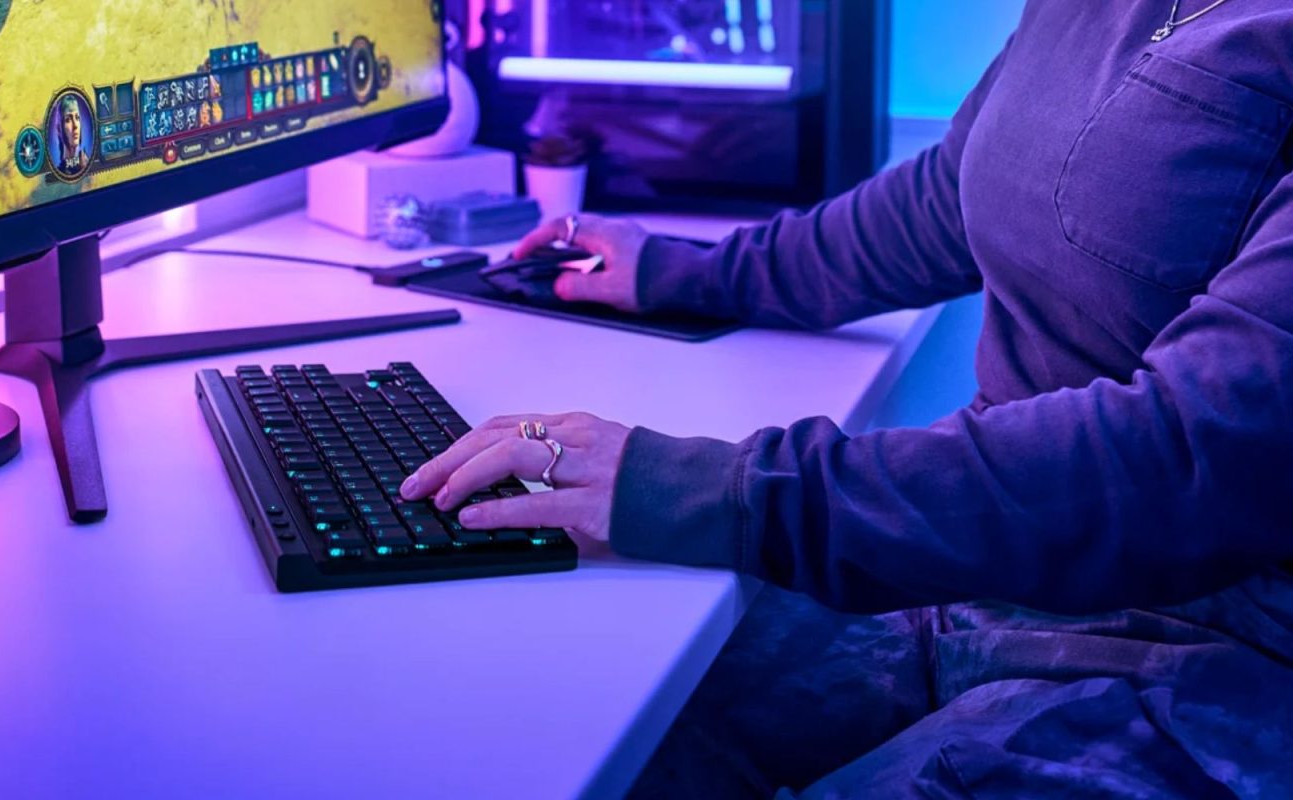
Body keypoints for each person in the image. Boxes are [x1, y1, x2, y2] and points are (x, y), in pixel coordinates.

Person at [400, 0, 1293, 796]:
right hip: (979, 578)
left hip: (1207, 658)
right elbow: (951, 196)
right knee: (574, 714)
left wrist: (718, 489)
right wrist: (690, 271)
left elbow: (1188, 454)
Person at [55, 94, 86, 175]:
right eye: (68, 119)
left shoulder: (85, 162)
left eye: (77, 117)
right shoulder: (59, 172)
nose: (75, 125)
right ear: (59, 129)